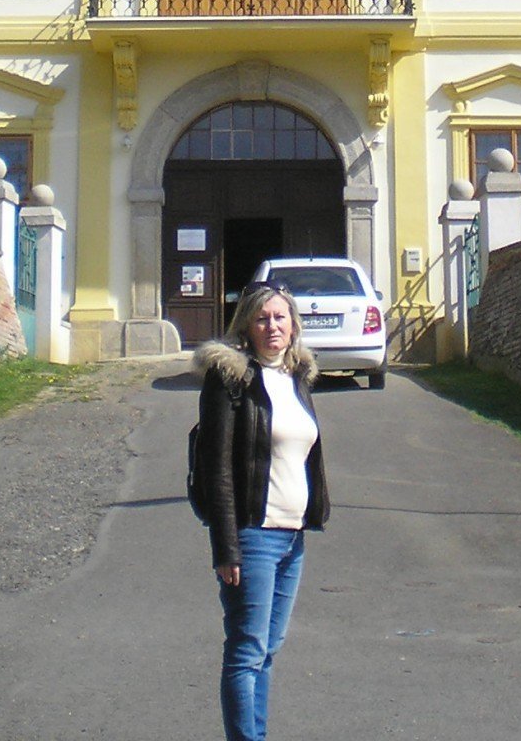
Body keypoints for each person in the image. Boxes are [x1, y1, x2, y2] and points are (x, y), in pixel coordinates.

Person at [193, 280, 330, 741]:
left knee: (267, 650)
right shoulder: (230, 379)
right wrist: (226, 547)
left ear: (293, 325)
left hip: (292, 536)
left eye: (280, 317)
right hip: (252, 535)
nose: (272, 326)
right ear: (247, 327)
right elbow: (217, 468)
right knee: (246, 651)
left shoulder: (297, 378)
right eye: (262, 318)